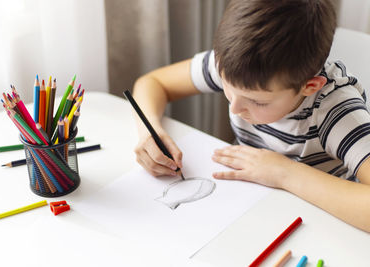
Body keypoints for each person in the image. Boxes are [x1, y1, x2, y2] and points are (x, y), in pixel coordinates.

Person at [131, 0, 370, 232]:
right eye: (226, 87)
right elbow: (152, 83)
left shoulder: (337, 111)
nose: (235, 109)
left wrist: (283, 173)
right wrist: (149, 131)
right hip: (249, 214)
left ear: (310, 86)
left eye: (257, 102)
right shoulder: (238, 66)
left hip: (316, 227)